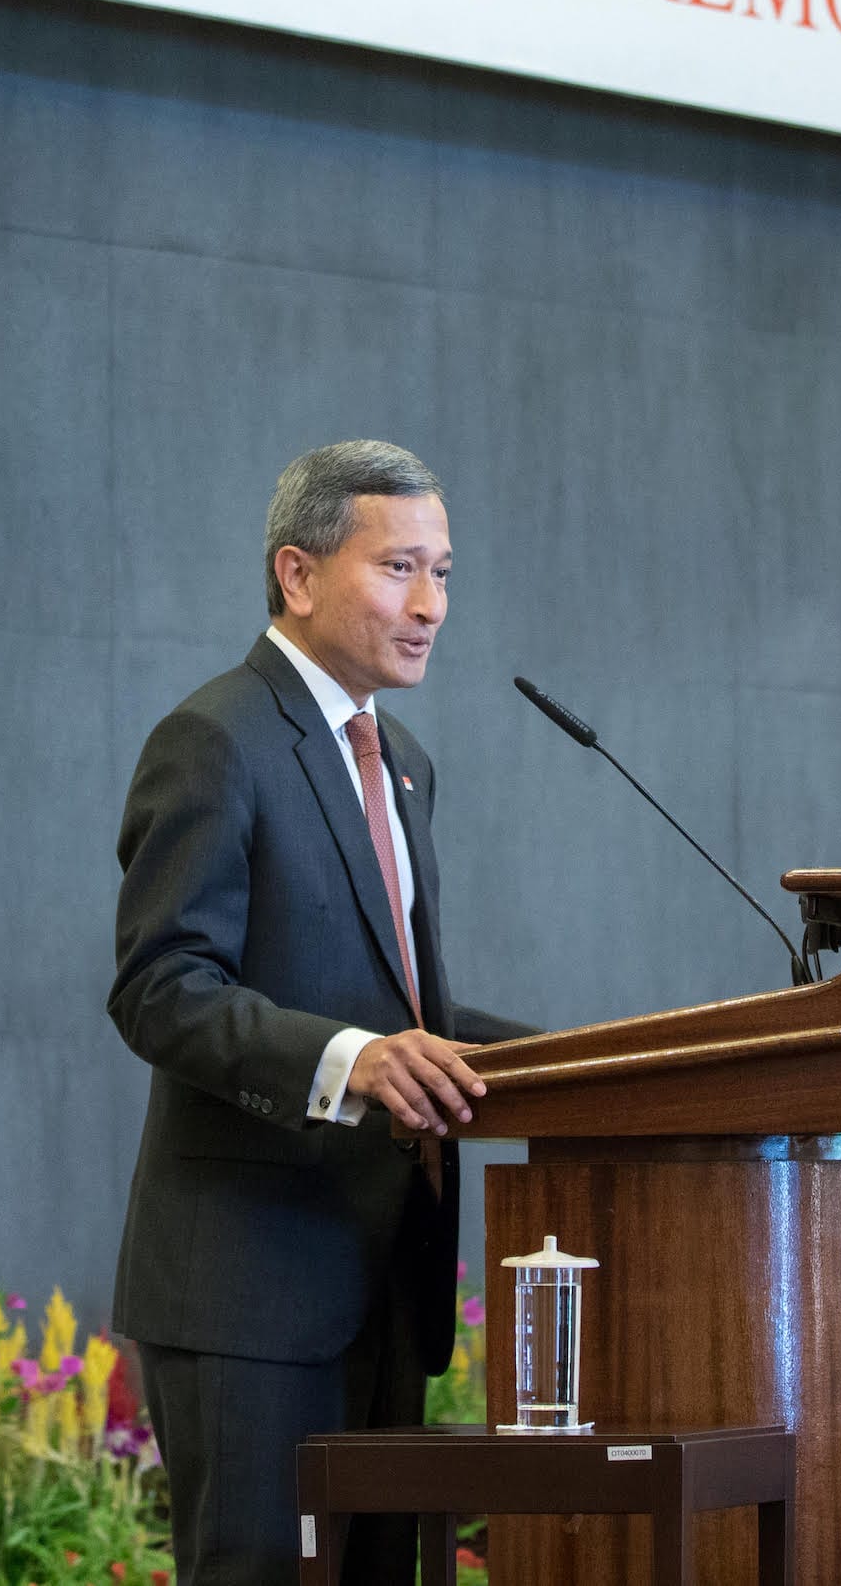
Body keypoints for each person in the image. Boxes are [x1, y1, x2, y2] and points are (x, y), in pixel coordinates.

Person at [107, 440, 533, 1586]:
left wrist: (604, 1055)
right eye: (401, 567)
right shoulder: (215, 740)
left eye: (446, 571)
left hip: (382, 1272)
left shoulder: (403, 761)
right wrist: (352, 1060)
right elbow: (161, 986)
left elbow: (406, 1004)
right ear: (297, 573)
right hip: (249, 1285)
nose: (432, 604)